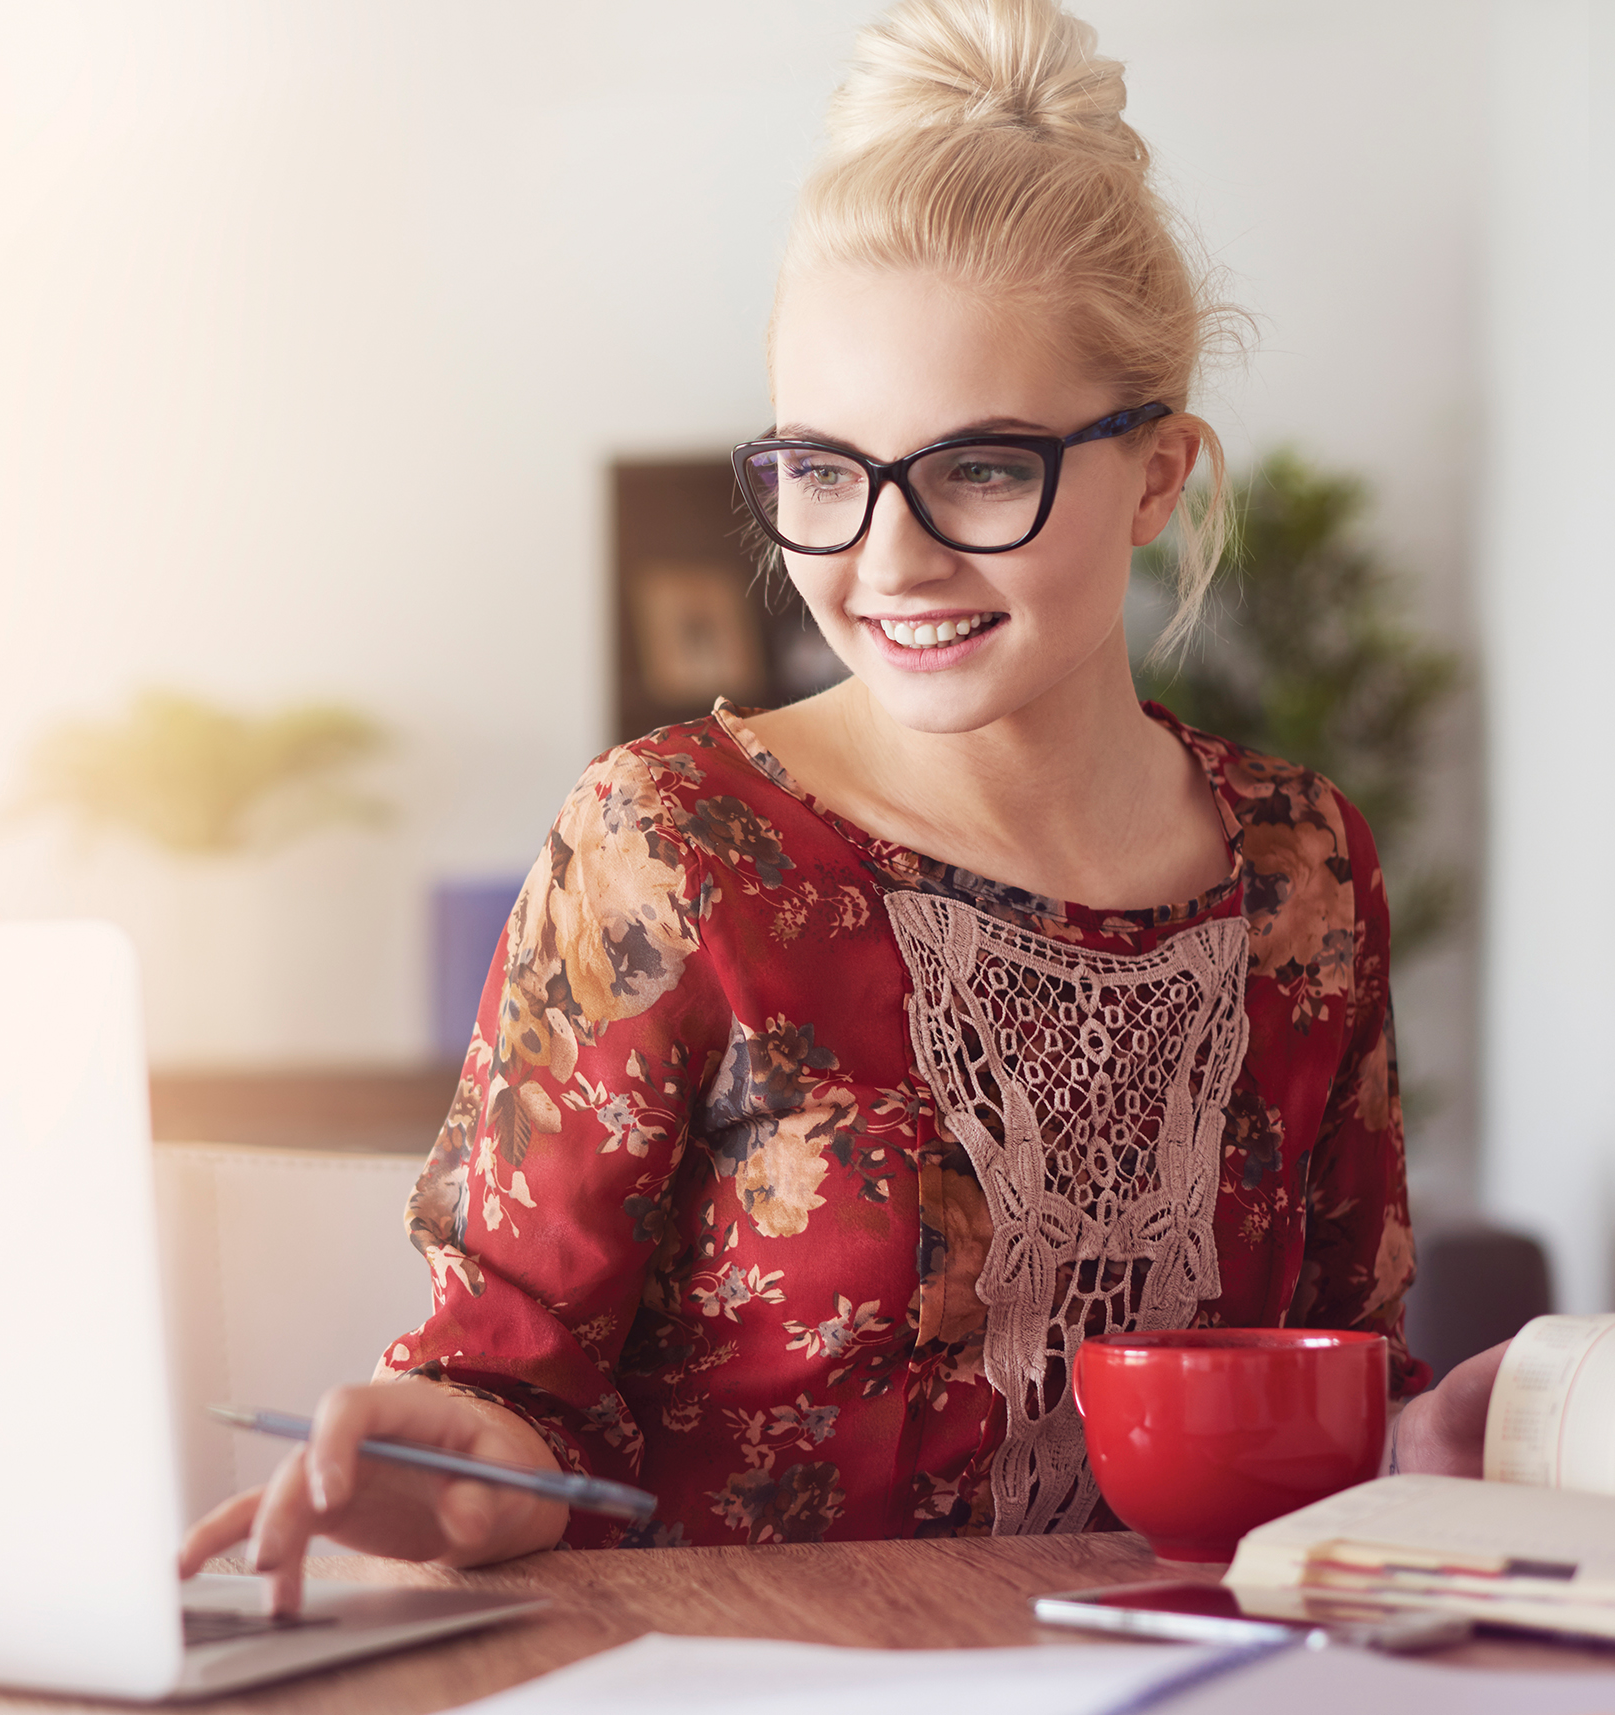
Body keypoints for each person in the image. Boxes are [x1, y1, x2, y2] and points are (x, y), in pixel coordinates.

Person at [181, 0, 1503, 1614]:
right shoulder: (670, 847)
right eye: (823, 469)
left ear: (1159, 473)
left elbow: (1341, 1382)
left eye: (980, 469)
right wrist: (441, 1477)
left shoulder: (1302, 865)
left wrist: (1441, 1435)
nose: (885, 561)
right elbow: (510, 1399)